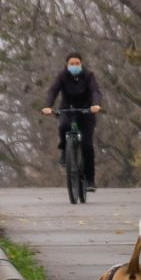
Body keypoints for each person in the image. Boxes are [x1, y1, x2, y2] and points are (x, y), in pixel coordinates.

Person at [42, 52, 103, 191]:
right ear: (67, 65)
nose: (74, 66)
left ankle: (89, 181)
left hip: (86, 111)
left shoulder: (89, 75)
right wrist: (47, 106)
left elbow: (95, 91)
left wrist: (96, 104)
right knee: (63, 126)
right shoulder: (62, 76)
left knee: (87, 145)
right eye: (72, 64)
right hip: (67, 109)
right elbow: (53, 91)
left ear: (81, 64)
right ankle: (65, 149)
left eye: (77, 63)